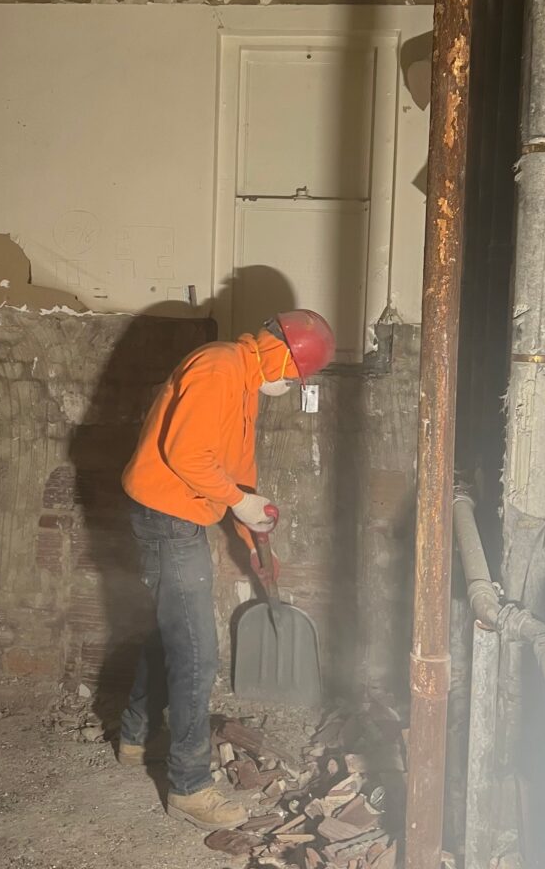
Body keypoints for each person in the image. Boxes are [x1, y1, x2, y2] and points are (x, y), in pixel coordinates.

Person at [116, 310, 335, 830]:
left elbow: (238, 471)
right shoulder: (219, 367)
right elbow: (186, 454)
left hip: (173, 514)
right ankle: (189, 787)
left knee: (169, 632)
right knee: (196, 652)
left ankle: (135, 736)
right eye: (296, 377)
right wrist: (238, 503)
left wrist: (255, 541)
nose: (291, 387)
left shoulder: (243, 379)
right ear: (283, 357)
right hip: (168, 518)